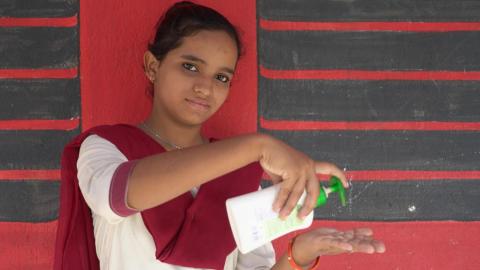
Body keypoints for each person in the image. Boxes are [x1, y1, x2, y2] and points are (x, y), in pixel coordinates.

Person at [54, 1, 385, 270]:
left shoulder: (238, 173)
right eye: (190, 66)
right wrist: (257, 146)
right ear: (152, 66)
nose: (205, 87)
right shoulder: (108, 148)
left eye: (222, 77)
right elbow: (120, 196)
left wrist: (297, 256)